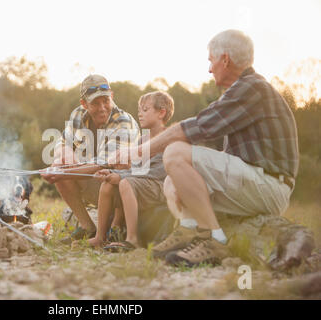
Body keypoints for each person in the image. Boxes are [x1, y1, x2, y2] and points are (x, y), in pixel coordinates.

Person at [113, 30, 299, 266]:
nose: (209, 69)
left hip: (270, 185)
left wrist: (138, 152)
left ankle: (215, 240)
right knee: (172, 180)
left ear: (225, 59)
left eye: (211, 61)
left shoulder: (252, 88)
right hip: (254, 182)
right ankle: (190, 230)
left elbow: (196, 127)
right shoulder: (243, 90)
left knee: (174, 151)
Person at [41, 74, 140, 244]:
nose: (102, 108)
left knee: (117, 165)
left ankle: (115, 226)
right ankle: (87, 227)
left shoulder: (123, 122)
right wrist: (62, 157)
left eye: (106, 101)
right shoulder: (78, 114)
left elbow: (104, 163)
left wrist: (63, 173)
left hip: (124, 186)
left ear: (112, 97)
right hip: (97, 180)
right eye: (95, 103)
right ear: (84, 104)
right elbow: (62, 141)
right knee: (61, 164)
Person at [88, 91, 174, 251]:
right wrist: (114, 172)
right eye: (139, 110)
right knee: (107, 185)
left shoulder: (167, 138)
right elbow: (137, 169)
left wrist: (121, 176)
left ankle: (132, 239)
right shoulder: (143, 140)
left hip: (161, 186)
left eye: (145, 110)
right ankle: (100, 237)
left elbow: (156, 172)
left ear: (161, 113)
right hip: (143, 184)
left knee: (126, 182)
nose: (139, 114)